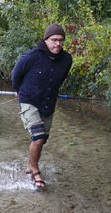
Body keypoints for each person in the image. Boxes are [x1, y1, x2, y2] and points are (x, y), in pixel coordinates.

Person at [11, 23, 73, 190]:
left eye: (61, 40)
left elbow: (58, 80)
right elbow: (15, 75)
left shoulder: (67, 60)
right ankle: (35, 171)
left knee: (41, 140)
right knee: (38, 137)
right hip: (29, 100)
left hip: (48, 102)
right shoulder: (31, 57)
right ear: (46, 40)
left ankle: (28, 164)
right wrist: (19, 91)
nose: (57, 44)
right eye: (54, 40)